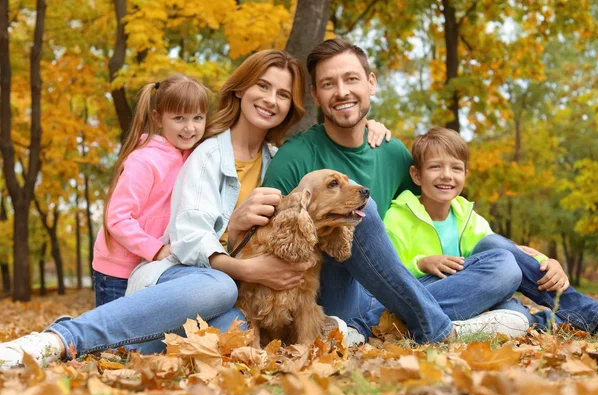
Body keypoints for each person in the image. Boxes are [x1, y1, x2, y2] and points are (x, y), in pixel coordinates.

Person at [0, 49, 391, 370]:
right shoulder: (205, 153)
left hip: (240, 298)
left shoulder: (280, 161)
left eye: (284, 94)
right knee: (218, 286)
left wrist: (370, 127)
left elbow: (321, 191)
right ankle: (58, 339)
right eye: (263, 86)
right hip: (184, 279)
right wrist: (241, 255)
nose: (272, 100)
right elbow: (188, 239)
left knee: (236, 324)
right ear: (240, 90)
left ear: (292, 106)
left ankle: (122, 349)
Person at [263, 38, 529, 344]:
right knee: (364, 211)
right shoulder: (294, 158)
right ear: (315, 95)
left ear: (371, 83)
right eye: (328, 84)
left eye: (351, 79)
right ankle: (443, 328)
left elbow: (433, 213)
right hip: (330, 291)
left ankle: (369, 328)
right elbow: (273, 238)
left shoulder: (391, 151)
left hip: (390, 292)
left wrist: (532, 258)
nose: (342, 91)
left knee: (504, 266)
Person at [383, 127, 598, 333]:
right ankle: (590, 316)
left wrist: (547, 262)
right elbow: (386, 277)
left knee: (497, 254)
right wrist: (421, 263)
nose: (447, 175)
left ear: (465, 175)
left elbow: (504, 250)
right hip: (422, 297)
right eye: (435, 167)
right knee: (507, 268)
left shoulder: (465, 216)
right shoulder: (398, 217)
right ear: (417, 175)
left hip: (470, 297)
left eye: (456, 168)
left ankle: (574, 315)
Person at [92, 74, 209, 307]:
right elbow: (117, 218)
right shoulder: (145, 161)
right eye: (179, 118)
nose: (190, 127)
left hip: (151, 267)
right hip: (118, 270)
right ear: (157, 118)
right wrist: (155, 250)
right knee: (113, 339)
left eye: (198, 117)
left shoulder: (192, 157)